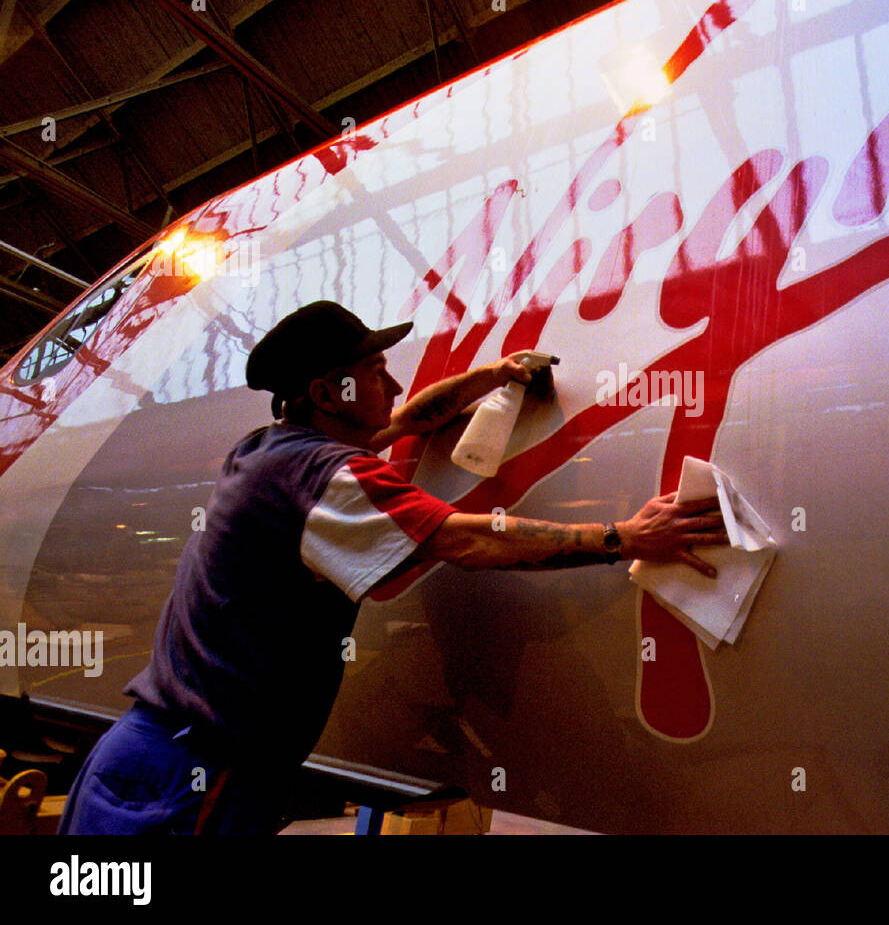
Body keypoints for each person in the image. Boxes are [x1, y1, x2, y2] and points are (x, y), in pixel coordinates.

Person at [58, 301, 725, 834]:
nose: (395, 383)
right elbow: (468, 542)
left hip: (146, 759)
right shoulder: (327, 477)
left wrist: (494, 377)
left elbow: (406, 418)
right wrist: (624, 536)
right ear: (328, 391)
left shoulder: (266, 449)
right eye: (377, 369)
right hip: (189, 783)